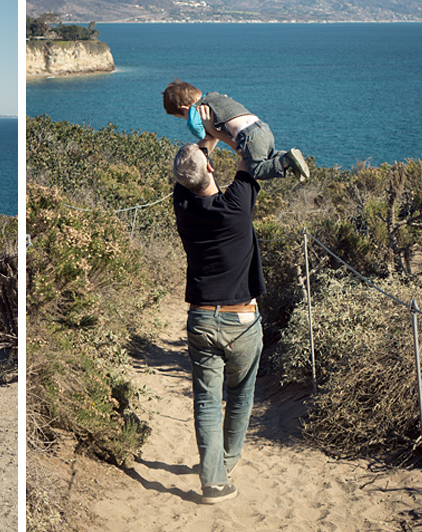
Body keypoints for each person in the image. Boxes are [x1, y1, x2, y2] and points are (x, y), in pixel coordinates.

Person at [171, 108, 266, 504]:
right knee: (241, 397)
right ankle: (224, 464)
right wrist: (216, 129)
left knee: (207, 400)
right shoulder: (238, 205)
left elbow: (194, 170)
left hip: (201, 321)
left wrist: (205, 141)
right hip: (242, 320)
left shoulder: (182, 205)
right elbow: (251, 151)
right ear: (211, 168)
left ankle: (212, 479)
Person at [163, 78, 310, 182]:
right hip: (261, 126)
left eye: (181, 116)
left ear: (184, 109)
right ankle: (288, 156)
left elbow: (198, 130)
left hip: (248, 135)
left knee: (256, 170)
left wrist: (203, 133)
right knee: (269, 156)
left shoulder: (196, 110)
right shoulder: (215, 96)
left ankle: (286, 160)